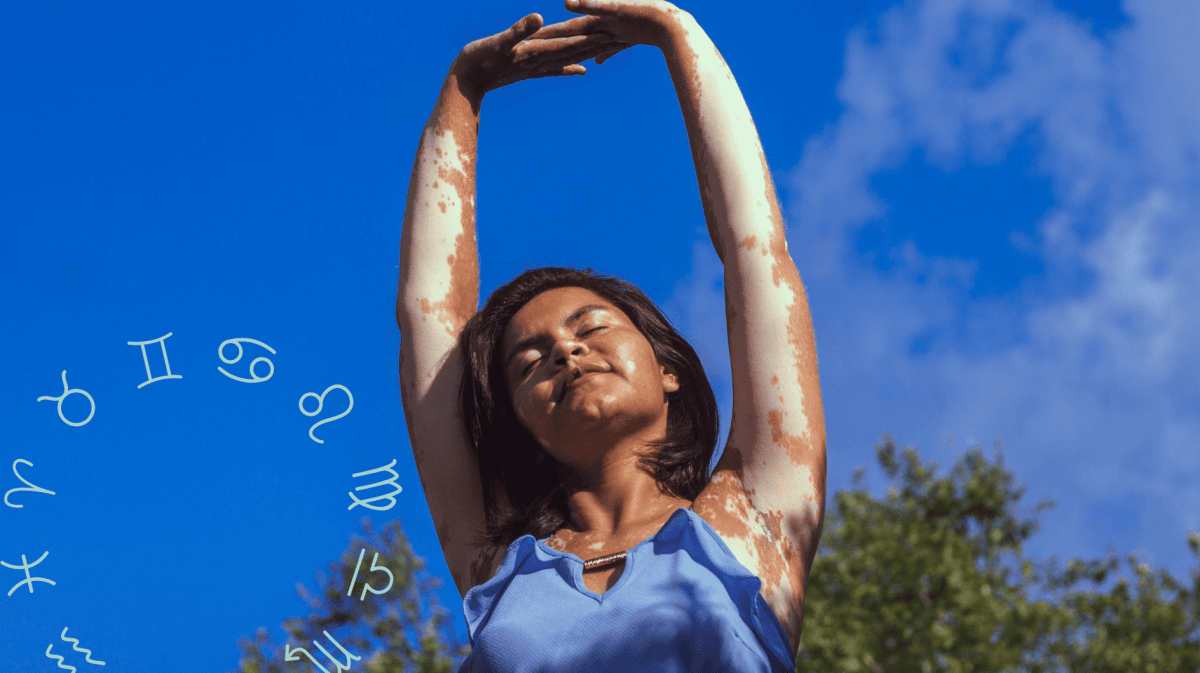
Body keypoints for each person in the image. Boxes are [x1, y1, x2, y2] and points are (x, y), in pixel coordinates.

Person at [395, 1, 826, 670]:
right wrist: (461, 92)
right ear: (520, 421)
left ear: (668, 369)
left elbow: (755, 250)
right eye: (528, 361)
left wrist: (676, 31)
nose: (565, 351)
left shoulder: (751, 520)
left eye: (591, 327)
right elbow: (430, 319)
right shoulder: (498, 563)